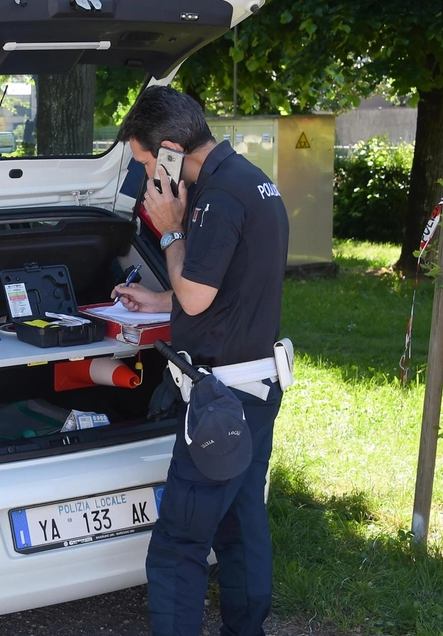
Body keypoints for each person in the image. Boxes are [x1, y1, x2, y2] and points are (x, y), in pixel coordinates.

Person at [111, 86, 289, 636]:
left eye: (145, 162)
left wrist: (169, 227)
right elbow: (221, 290)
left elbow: (195, 296)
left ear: (168, 149)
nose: (147, 178)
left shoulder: (215, 199)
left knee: (178, 546)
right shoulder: (250, 180)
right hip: (258, 385)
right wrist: (158, 299)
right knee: (239, 524)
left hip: (223, 400)